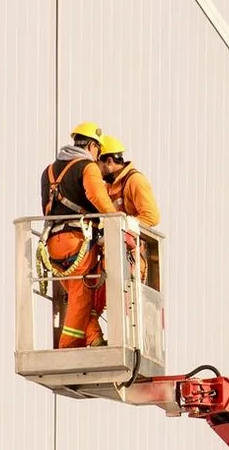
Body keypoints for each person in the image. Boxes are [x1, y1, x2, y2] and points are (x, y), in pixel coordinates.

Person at [39, 122, 117, 348]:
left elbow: (46, 207)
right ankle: (67, 347)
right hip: (78, 243)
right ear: (92, 146)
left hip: (53, 246)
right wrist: (119, 223)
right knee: (81, 297)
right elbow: (100, 201)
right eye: (98, 150)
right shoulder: (87, 166)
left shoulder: (49, 170)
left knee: (78, 296)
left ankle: (94, 339)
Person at [89, 134, 162, 325]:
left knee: (126, 311)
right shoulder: (109, 186)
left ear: (110, 161)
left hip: (132, 256)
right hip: (112, 256)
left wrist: (122, 227)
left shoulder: (134, 181)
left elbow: (151, 217)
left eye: (98, 164)